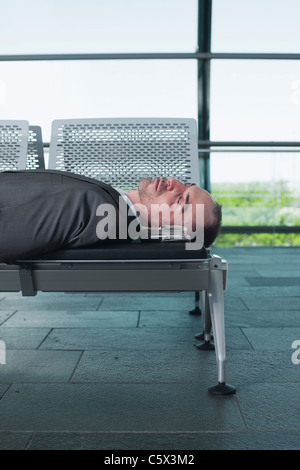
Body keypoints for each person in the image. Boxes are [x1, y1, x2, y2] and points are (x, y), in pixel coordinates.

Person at [0, 169, 221, 263]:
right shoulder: (108, 205)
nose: (173, 181)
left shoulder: (94, 209)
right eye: (187, 186)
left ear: (169, 233)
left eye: (181, 200)